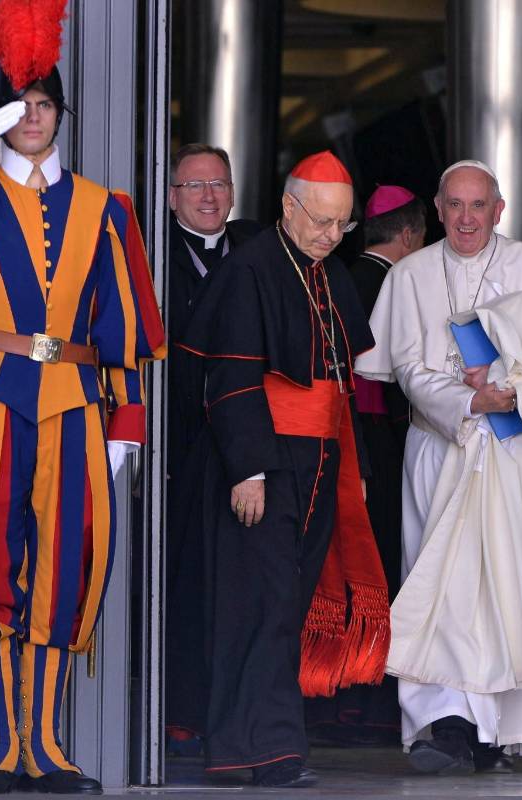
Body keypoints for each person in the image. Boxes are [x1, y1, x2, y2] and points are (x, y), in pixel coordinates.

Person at [0, 0, 167, 791]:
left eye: (43, 104)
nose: (31, 118)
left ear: (63, 114)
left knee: (68, 572)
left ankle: (46, 751)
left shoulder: (107, 208)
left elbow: (127, 329)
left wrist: (125, 429)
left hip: (78, 404)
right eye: (17, 107)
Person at [356, 160, 522, 775]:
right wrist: (470, 399)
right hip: (442, 451)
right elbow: (406, 369)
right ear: (437, 210)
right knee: (441, 588)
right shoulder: (412, 275)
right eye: (455, 206)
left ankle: (504, 728)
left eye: (479, 206)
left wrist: (518, 389)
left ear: (499, 210)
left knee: (521, 587)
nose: (467, 218)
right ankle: (442, 725)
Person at [176, 151, 389, 789]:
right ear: (289, 208)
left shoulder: (325, 271)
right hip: (263, 465)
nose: (330, 236)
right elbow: (231, 375)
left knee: (285, 606)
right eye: (321, 222)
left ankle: (267, 746)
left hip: (316, 462)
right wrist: (249, 470)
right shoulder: (249, 269)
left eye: (342, 226)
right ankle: (255, 751)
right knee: (256, 606)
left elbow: (345, 369)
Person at [305, 185, 425, 746]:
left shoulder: (338, 276)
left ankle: (338, 694)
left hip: (338, 440)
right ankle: (369, 700)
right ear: (408, 234)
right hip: (376, 442)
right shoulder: (401, 282)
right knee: (380, 570)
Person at [162, 143, 261, 750]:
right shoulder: (148, 250)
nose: (207, 196)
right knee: (175, 577)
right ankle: (174, 708)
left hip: (239, 444)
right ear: (171, 196)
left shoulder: (256, 250)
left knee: (234, 582)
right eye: (194, 186)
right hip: (173, 440)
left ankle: (232, 714)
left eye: (218, 184)